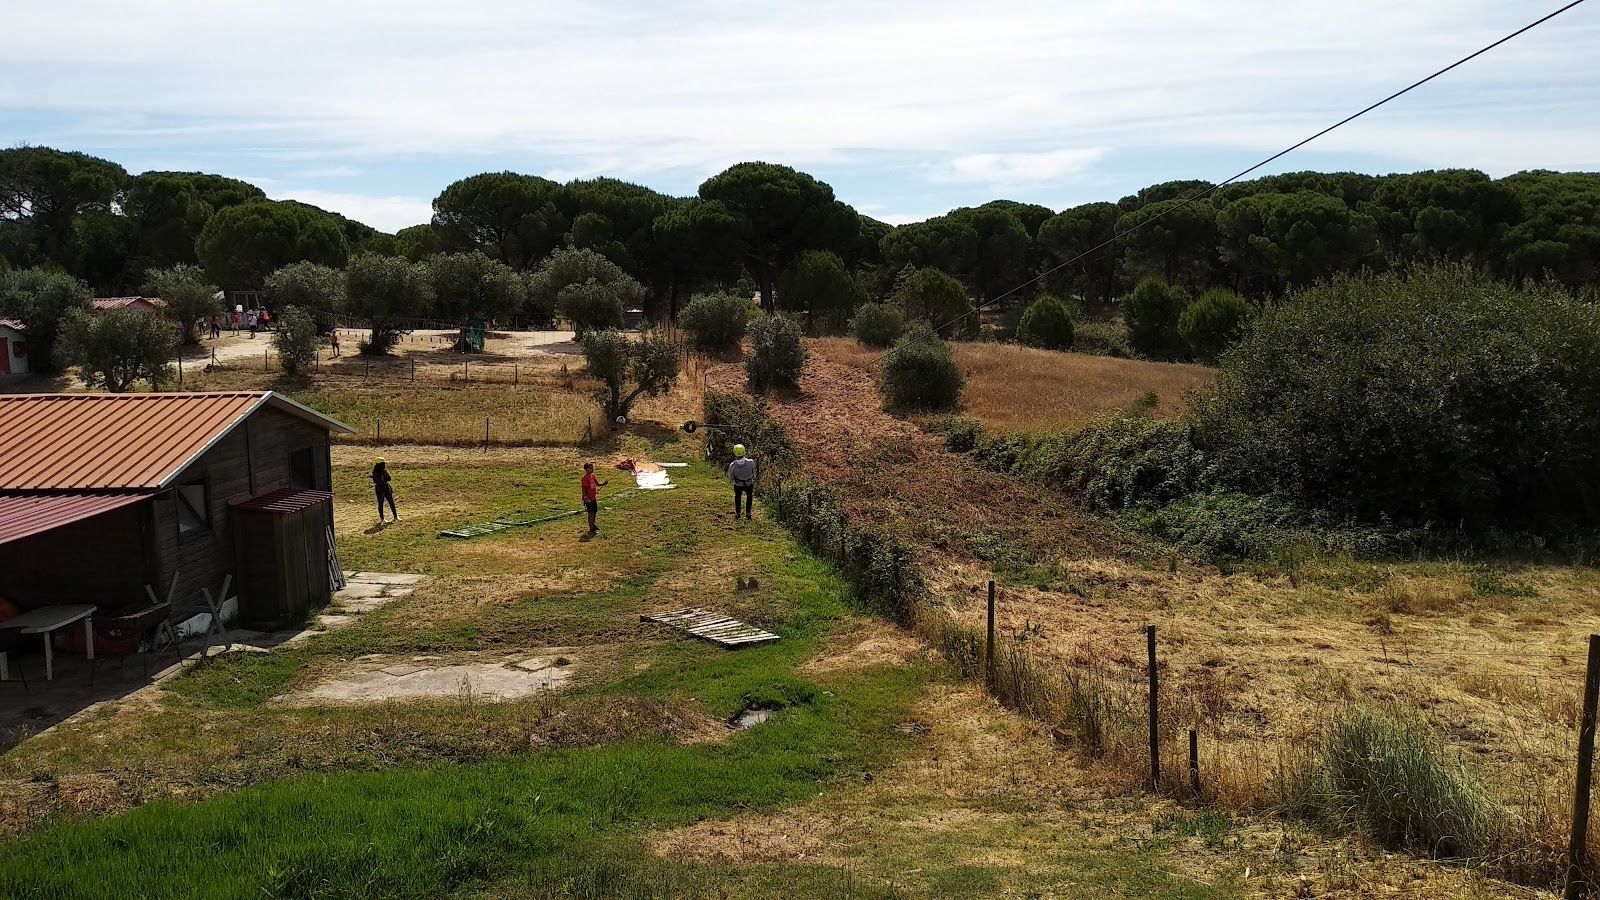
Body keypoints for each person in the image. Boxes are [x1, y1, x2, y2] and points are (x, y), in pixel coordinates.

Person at [727, 444, 756, 520]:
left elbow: (730, 476)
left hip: (738, 484)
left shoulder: (733, 465)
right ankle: (748, 514)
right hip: (749, 483)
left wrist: (735, 479)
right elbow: (754, 472)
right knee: (749, 498)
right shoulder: (751, 462)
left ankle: (737, 514)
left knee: (737, 497)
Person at [581, 462, 608, 534]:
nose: (592, 469)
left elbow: (597, 484)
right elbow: (584, 489)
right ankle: (591, 528)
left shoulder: (593, 476)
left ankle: (593, 525)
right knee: (591, 513)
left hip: (593, 498)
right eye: (590, 468)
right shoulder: (585, 478)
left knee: (594, 512)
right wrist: (585, 498)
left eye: (592, 467)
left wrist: (603, 484)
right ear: (586, 469)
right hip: (588, 499)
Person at [372, 457, 398, 522]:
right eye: (383, 464)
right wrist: (384, 478)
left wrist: (384, 475)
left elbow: (389, 478)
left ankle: (395, 517)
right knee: (381, 503)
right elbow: (378, 481)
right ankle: (382, 518)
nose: (384, 465)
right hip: (380, 489)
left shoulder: (384, 471)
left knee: (391, 502)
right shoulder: (375, 472)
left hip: (385, 487)